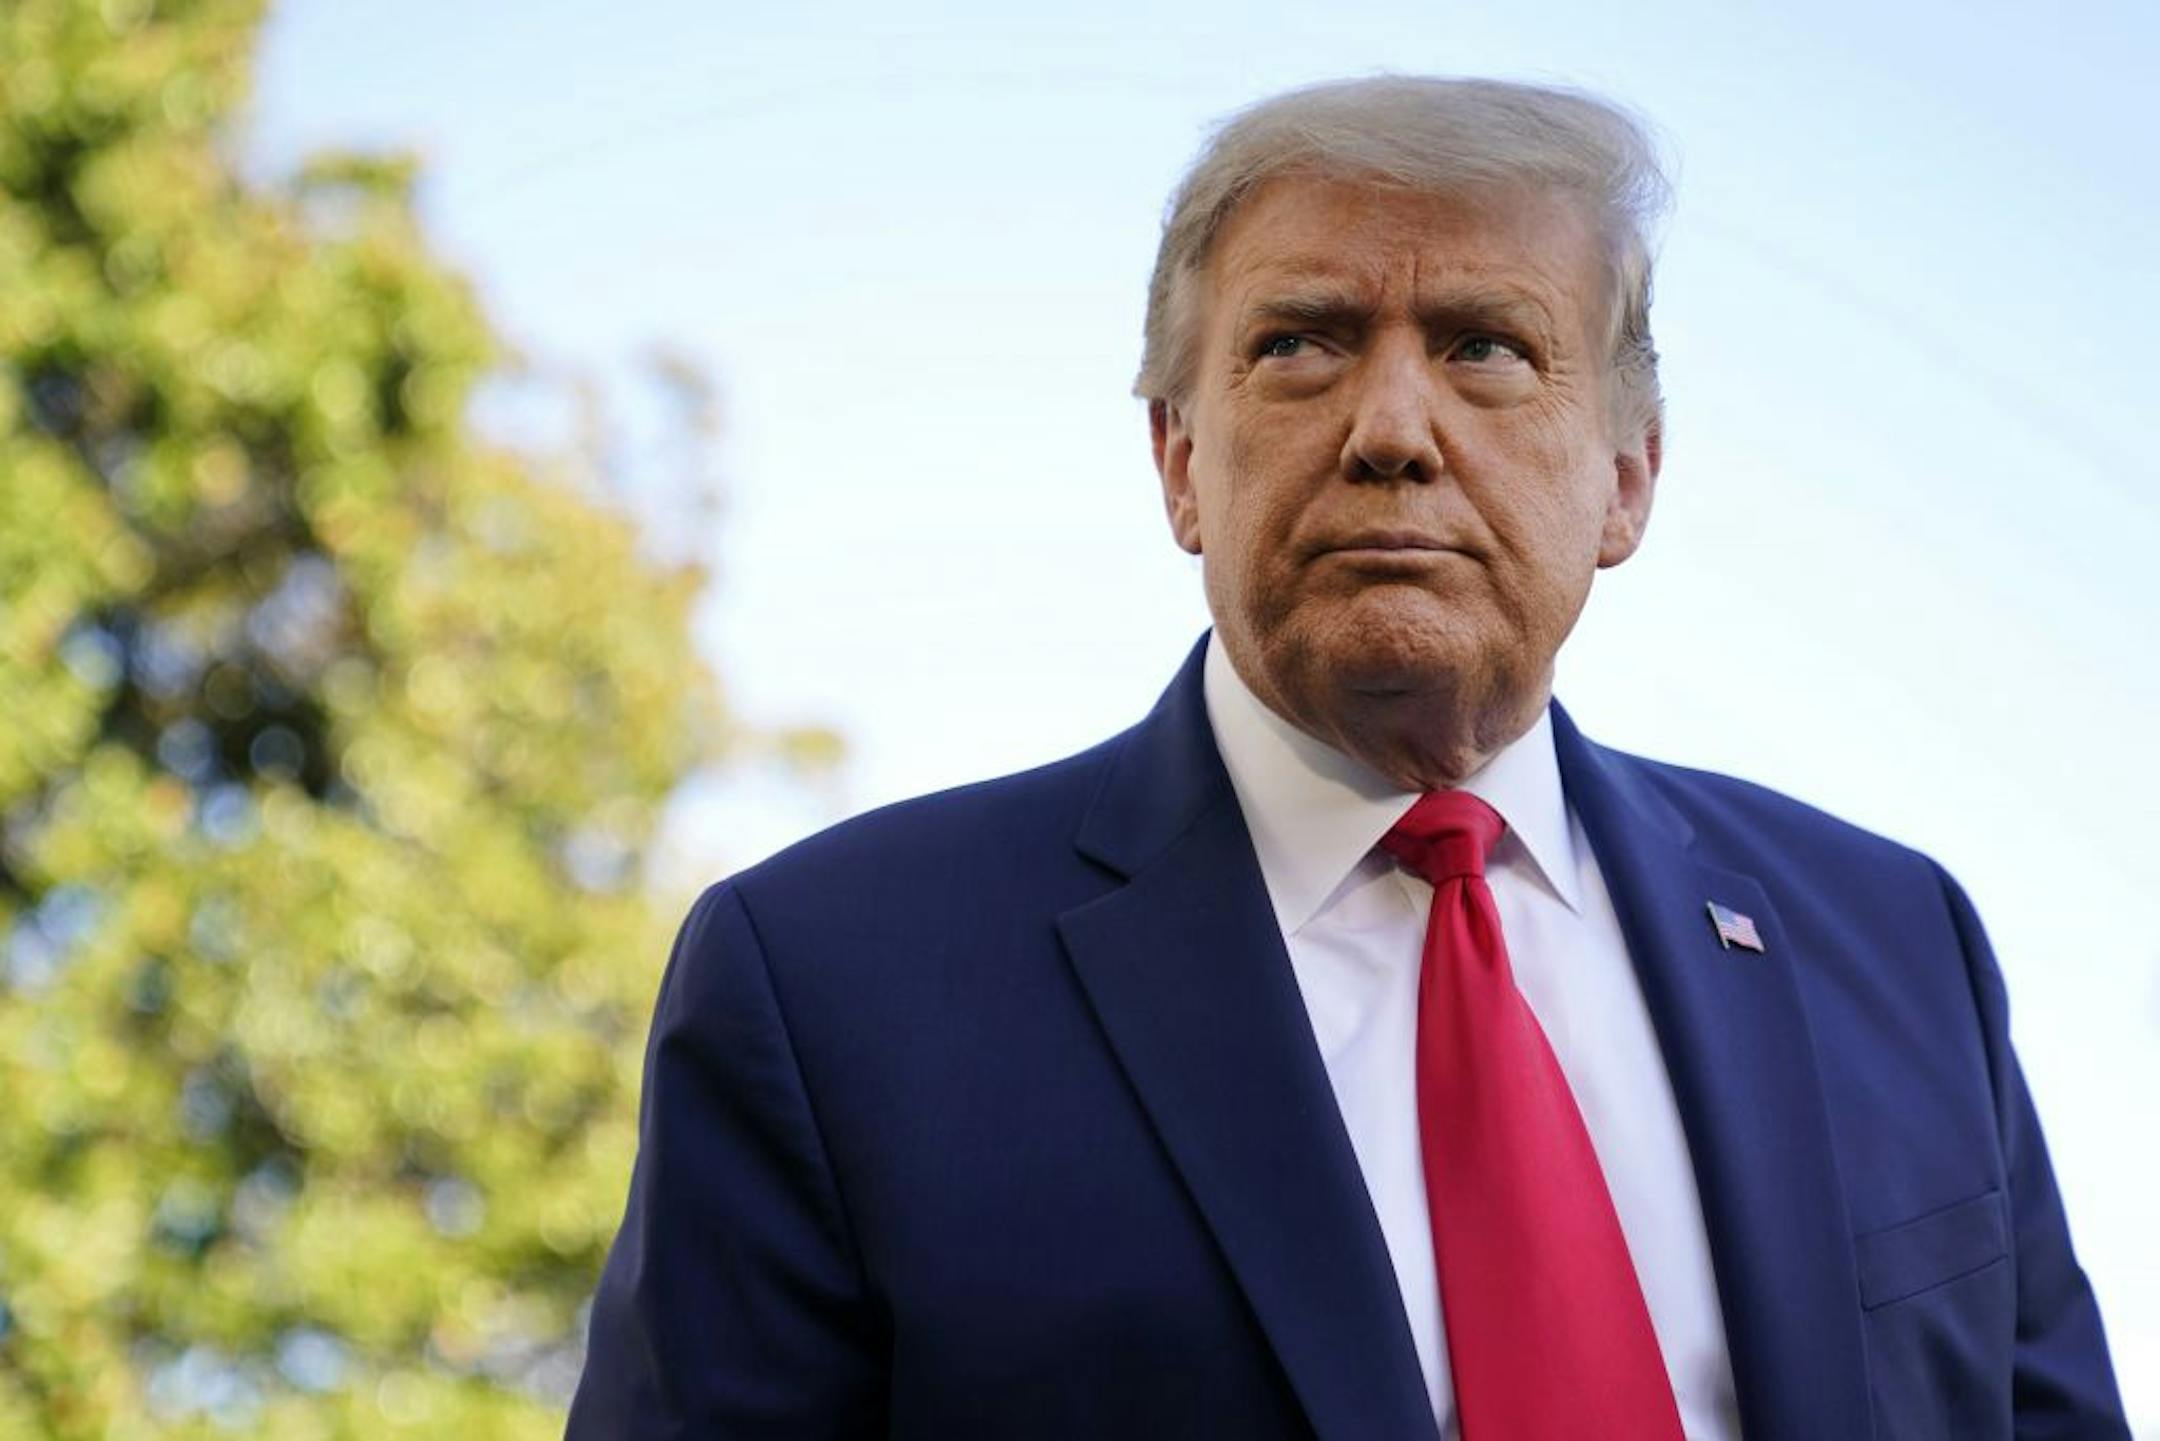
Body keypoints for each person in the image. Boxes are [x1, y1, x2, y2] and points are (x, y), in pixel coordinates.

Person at [565, 76, 2128, 1439]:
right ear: (1180, 460)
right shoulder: (831, 985)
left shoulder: (1895, 943)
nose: (1391, 423)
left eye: (1487, 347)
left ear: (1628, 479)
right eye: (1303, 344)